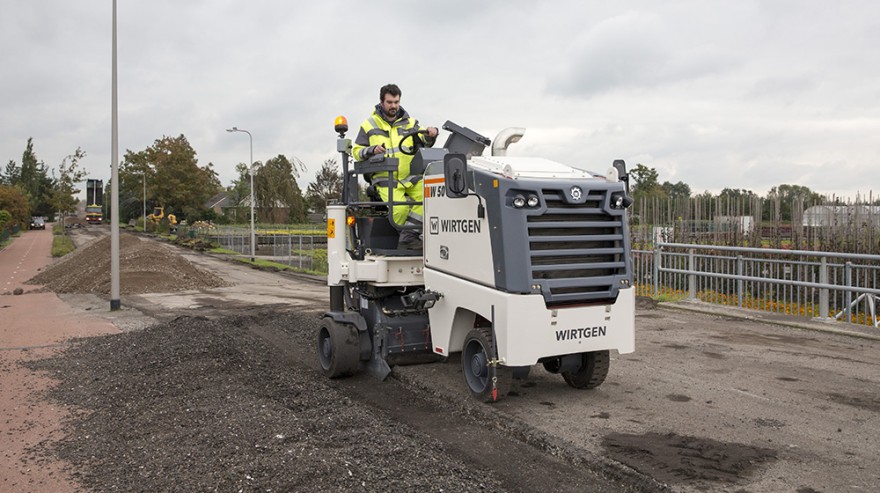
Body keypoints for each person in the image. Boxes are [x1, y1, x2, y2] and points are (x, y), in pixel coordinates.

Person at [352, 83, 438, 250]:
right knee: (399, 210)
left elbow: (425, 139)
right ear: (381, 102)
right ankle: (409, 238)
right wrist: (371, 150)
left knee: (432, 197)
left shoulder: (410, 123)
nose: (394, 106)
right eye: (390, 102)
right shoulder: (369, 125)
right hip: (385, 177)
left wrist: (431, 134)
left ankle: (409, 236)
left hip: (410, 177)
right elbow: (356, 151)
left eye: (396, 102)